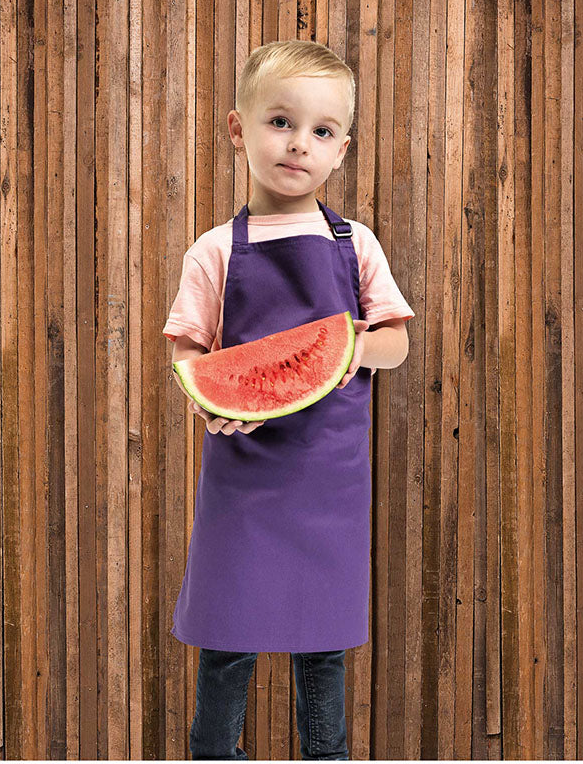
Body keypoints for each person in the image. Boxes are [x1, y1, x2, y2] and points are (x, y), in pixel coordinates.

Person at [162, 39, 414, 760]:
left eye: (321, 131)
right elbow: (190, 352)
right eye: (280, 122)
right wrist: (204, 398)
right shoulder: (214, 248)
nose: (299, 144)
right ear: (238, 128)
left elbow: (393, 342)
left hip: (327, 480)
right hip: (243, 475)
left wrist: (350, 354)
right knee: (226, 640)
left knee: (323, 647)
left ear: (341, 150)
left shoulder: (353, 241)